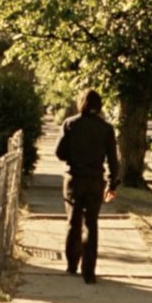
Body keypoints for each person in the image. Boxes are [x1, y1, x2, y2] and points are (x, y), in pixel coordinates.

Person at [55, 89, 120, 284]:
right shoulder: (106, 129)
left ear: (80, 103)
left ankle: (72, 263)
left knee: (73, 222)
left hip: (74, 179)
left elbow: (59, 152)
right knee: (91, 223)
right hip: (95, 180)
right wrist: (112, 183)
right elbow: (113, 161)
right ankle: (89, 271)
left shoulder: (70, 124)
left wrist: (74, 156)